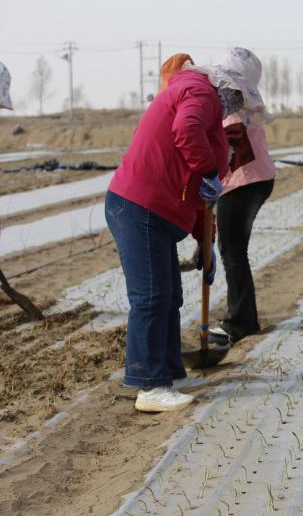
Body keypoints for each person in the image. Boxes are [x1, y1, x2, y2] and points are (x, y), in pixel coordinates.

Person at [106, 60, 244, 412]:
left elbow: (200, 194)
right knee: (151, 297)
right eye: (238, 96)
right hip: (139, 205)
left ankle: (170, 372)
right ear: (228, 86)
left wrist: (205, 241)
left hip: (158, 210)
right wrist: (209, 169)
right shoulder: (199, 92)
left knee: (169, 297)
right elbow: (185, 130)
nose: (238, 105)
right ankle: (149, 386)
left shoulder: (207, 108)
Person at [199, 48, 276, 346]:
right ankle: (245, 317)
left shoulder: (232, 104)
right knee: (234, 251)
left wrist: (210, 178)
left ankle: (240, 322)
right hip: (257, 179)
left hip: (244, 183)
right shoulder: (243, 103)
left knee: (232, 252)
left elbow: (233, 149)